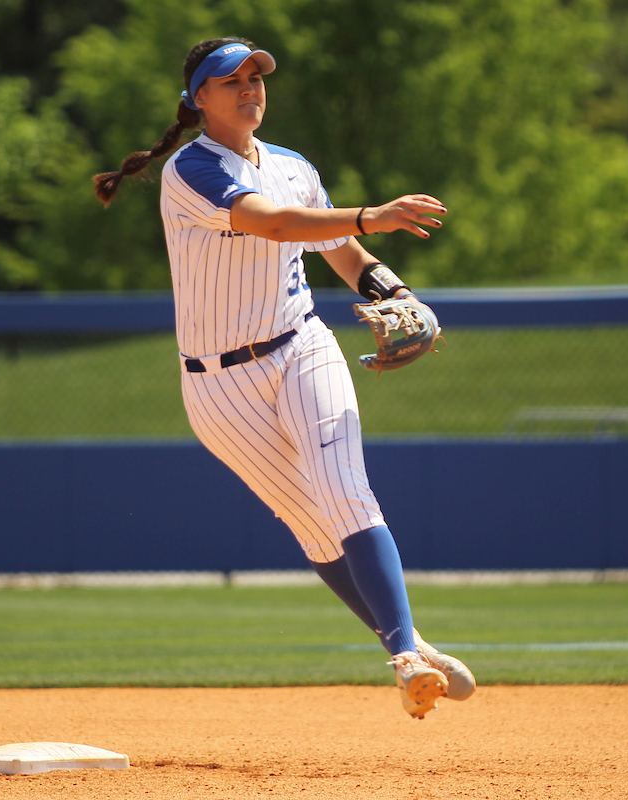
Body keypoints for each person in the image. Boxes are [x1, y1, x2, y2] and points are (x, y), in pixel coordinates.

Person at [92, 37, 474, 719]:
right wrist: (369, 213)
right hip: (218, 389)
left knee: (346, 494)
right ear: (196, 99)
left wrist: (394, 289)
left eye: (256, 77)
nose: (249, 89)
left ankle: (405, 659)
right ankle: (411, 637)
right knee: (314, 528)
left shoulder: (295, 166)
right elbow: (270, 224)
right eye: (230, 80)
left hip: (301, 346)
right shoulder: (191, 172)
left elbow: (339, 250)